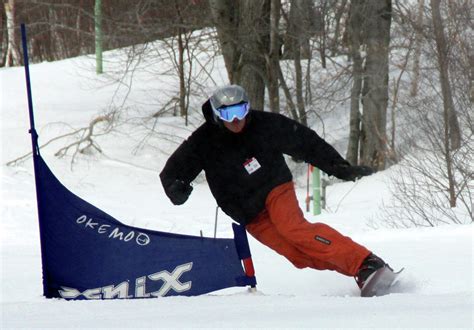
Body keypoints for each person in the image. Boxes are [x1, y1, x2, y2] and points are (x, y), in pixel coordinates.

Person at [160, 84, 391, 292]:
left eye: (240, 111)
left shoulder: (265, 125)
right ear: (217, 115)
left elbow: (306, 142)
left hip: (274, 188)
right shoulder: (203, 141)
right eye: (228, 114)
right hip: (248, 213)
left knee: (293, 229)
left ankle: (365, 263)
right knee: (298, 255)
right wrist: (176, 189)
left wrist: (339, 167)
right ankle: (364, 273)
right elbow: (172, 172)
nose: (236, 120)